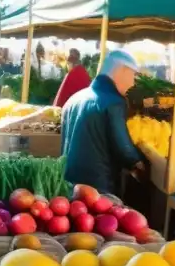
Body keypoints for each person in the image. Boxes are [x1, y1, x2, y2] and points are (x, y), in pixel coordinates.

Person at [61, 49, 144, 195]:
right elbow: (123, 147)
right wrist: (137, 163)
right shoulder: (113, 102)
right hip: (98, 187)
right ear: (123, 71)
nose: (132, 83)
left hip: (68, 182)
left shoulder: (73, 99)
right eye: (133, 76)